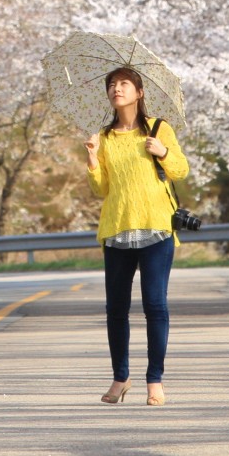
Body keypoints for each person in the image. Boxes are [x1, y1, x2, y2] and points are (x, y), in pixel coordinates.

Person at [84, 65, 188, 406]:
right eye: (112, 84)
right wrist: (92, 159)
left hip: (156, 228)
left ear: (139, 92)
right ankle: (120, 378)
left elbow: (180, 170)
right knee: (116, 309)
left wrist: (163, 152)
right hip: (117, 230)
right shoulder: (104, 137)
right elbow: (102, 189)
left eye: (124, 84)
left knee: (155, 306)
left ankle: (155, 380)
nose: (117, 89)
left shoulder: (159, 129)